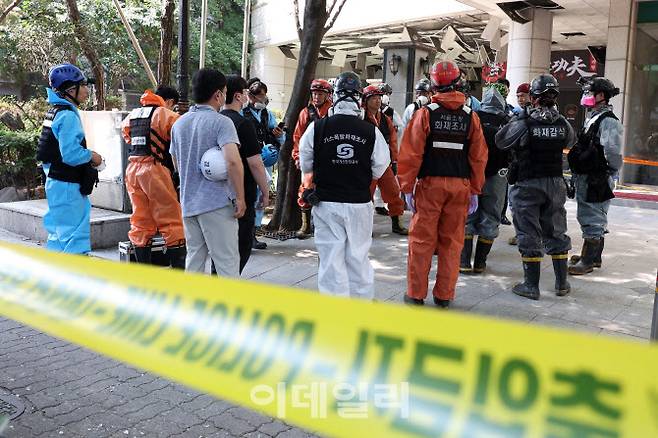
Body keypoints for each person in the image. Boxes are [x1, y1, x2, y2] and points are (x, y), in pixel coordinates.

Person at [399, 60, 488, 308]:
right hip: (460, 188)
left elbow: (411, 153)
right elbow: (479, 157)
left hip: (429, 186)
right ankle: (444, 296)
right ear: (458, 82)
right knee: (452, 243)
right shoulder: (472, 117)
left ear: (434, 85)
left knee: (422, 241)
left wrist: (406, 187)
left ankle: (416, 294)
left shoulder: (425, 114)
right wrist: (475, 190)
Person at [298, 72, 390, 299]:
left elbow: (306, 164)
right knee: (358, 259)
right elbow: (380, 167)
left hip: (327, 204)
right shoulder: (371, 131)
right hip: (359, 203)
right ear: (359, 99)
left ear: (335, 96)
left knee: (331, 260)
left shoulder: (317, 128)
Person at [495, 73, 576, 300]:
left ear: (533, 97)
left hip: (527, 183)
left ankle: (531, 286)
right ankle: (562, 283)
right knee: (557, 230)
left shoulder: (524, 121)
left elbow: (501, 141)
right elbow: (570, 141)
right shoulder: (563, 123)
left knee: (529, 233)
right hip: (555, 183)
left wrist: (517, 118)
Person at [170, 68, 245, 276]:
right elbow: (232, 162)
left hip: (189, 204)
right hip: (217, 203)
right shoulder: (222, 122)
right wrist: (240, 197)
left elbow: (176, 161)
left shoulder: (179, 124)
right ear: (218, 95)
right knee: (227, 263)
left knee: (194, 261)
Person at [38, 63, 103, 254]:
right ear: (70, 90)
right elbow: (71, 154)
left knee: (58, 236)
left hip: (56, 182)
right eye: (83, 85)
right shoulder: (67, 116)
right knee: (74, 236)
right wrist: (93, 156)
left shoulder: (55, 112)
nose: (86, 90)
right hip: (68, 186)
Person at [121, 87, 185, 268]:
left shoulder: (132, 115)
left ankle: (143, 270)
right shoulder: (165, 114)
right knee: (171, 219)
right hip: (155, 171)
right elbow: (181, 136)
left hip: (133, 170)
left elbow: (127, 136)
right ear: (170, 102)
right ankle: (178, 269)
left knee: (140, 220)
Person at [567, 77, 623, 275]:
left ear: (601, 96)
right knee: (593, 214)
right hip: (588, 175)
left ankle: (588, 261)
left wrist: (609, 172)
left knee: (592, 216)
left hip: (596, 176)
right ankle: (593, 256)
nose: (585, 96)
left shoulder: (608, 121)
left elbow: (613, 152)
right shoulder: (593, 116)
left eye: (589, 92)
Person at [220, 74, 272, 273]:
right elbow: (256, 164)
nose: (246, 96)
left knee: (221, 249)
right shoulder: (243, 124)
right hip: (242, 194)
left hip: (216, 197)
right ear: (237, 96)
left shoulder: (216, 120)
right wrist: (265, 192)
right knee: (241, 247)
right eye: (244, 92)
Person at [460, 86, 511, 274]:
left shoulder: (472, 118)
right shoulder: (508, 121)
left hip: (472, 175)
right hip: (498, 176)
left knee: (468, 216)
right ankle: (480, 263)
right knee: (491, 218)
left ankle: (464, 262)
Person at [244, 78, 286, 249]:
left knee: (261, 198)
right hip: (247, 161)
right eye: (260, 96)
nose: (263, 99)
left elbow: (280, 136)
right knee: (247, 197)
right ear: (250, 96)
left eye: (264, 95)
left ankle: (254, 232)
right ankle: (244, 235)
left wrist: (278, 134)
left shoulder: (267, 114)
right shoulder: (242, 112)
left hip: (265, 162)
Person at [362, 84, 408, 235]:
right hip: (366, 165)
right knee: (366, 196)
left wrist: (394, 161)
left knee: (394, 192)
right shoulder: (360, 118)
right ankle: (365, 227)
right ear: (365, 100)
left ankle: (397, 223)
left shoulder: (386, 119)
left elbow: (393, 141)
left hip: (384, 164)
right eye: (373, 98)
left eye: (378, 98)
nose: (377, 101)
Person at [292, 79, 333, 239]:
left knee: (329, 191)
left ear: (327, 95)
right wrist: (297, 156)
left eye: (320, 94)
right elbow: (298, 137)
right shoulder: (305, 113)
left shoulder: (333, 111)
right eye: (314, 93)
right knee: (306, 189)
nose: (316, 97)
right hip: (310, 158)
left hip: (330, 159)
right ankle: (306, 225)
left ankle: (324, 225)